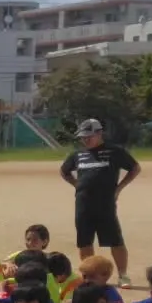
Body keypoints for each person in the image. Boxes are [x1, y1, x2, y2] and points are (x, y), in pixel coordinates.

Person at [60, 118, 140, 286]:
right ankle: (89, 276)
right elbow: (64, 171)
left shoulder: (115, 151)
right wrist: (77, 184)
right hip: (83, 203)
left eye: (89, 136)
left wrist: (119, 188)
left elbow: (135, 168)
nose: (85, 140)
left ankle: (123, 275)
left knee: (115, 239)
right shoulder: (78, 154)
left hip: (105, 203)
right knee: (84, 241)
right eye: (83, 137)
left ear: (99, 134)